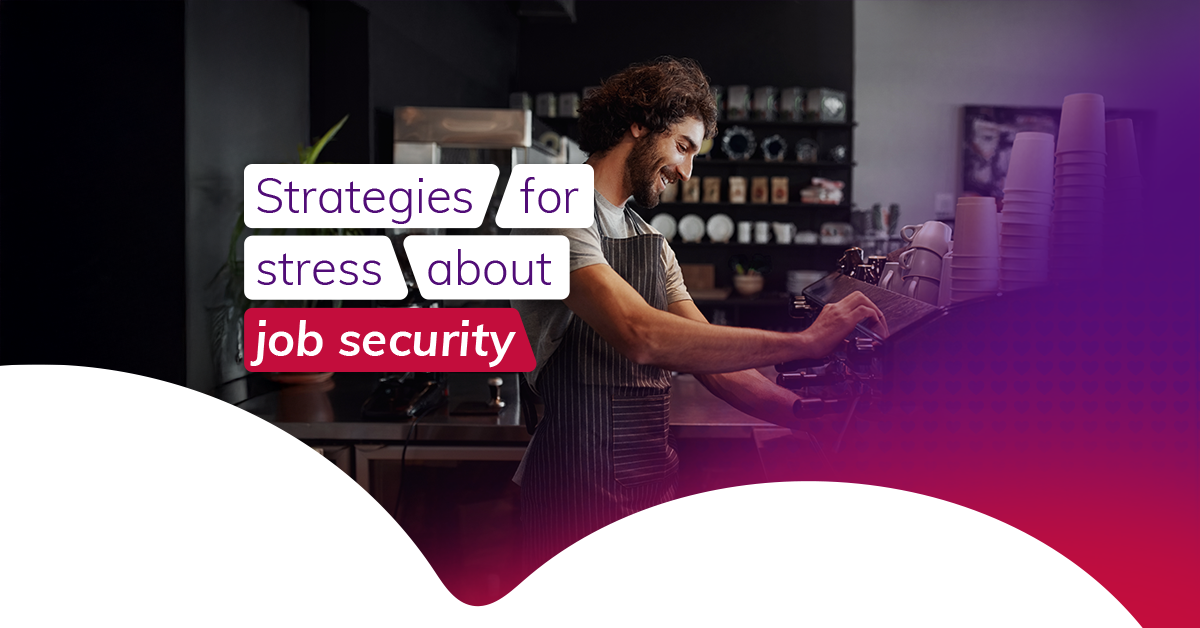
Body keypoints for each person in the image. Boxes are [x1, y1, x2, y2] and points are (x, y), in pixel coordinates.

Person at [511, 57, 887, 568]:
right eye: (683, 147)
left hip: (647, 484)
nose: (687, 171)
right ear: (639, 123)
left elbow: (705, 354)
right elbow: (639, 334)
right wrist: (804, 343)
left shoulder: (651, 244)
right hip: (572, 488)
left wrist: (807, 416)